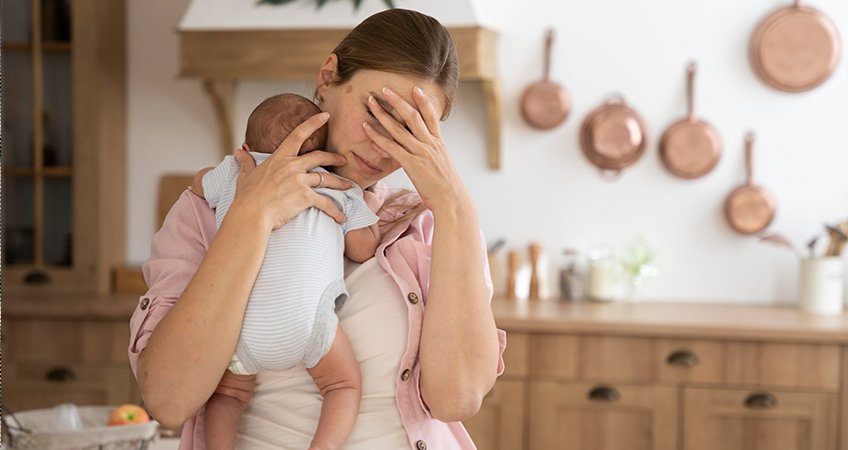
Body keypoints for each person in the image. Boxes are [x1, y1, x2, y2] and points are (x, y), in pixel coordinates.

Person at [129, 8, 506, 449]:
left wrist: (454, 204)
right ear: (328, 78)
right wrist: (252, 217)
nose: (383, 145)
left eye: (411, 130)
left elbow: (455, 398)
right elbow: (169, 400)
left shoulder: (432, 226)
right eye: (378, 111)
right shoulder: (208, 209)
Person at [191, 93, 382, 450]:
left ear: (246, 148)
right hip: (306, 324)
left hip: (239, 326)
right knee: (342, 386)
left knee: (229, 394)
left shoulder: (235, 173)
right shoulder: (336, 186)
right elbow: (363, 248)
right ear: (322, 154)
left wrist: (226, 167)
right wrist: (369, 203)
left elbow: (197, 186)